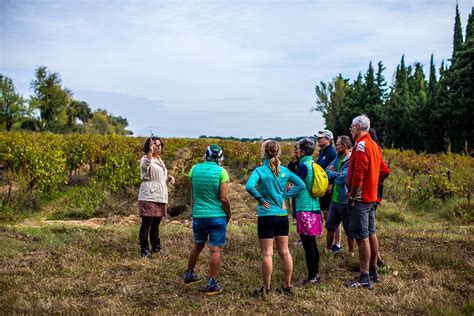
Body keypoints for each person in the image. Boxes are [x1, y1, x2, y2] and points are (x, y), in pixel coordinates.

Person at [245, 140, 305, 296]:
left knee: (267, 254)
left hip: (266, 216)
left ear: (263, 152)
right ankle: (288, 286)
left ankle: (266, 289)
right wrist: (284, 196)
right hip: (281, 216)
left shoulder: (259, 171)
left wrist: (260, 199)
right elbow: (301, 185)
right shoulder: (285, 171)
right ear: (278, 152)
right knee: (285, 252)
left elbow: (249, 186)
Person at [183, 144, 231, 295]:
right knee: (215, 249)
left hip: (199, 215)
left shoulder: (194, 169)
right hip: (217, 216)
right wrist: (228, 214)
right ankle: (212, 283)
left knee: (198, 245)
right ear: (220, 158)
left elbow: (193, 194)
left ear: (206, 155)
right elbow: (223, 198)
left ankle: (189, 275)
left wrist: (194, 210)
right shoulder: (222, 172)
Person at [345, 115, 381, 288]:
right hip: (371, 196)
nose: (350, 130)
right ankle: (374, 271)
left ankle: (364, 277)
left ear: (358, 126)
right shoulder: (374, 145)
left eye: (351, 127)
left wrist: (352, 195)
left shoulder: (360, 146)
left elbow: (359, 174)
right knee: (371, 232)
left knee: (361, 236)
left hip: (360, 197)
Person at [138, 136, 175, 257]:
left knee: (156, 224)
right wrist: (150, 152)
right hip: (149, 195)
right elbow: (146, 167)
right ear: (149, 146)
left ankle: (156, 247)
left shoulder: (159, 159)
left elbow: (159, 176)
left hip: (160, 195)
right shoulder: (145, 159)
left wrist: (168, 178)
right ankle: (144, 250)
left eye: (159, 145)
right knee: (146, 223)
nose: (158, 147)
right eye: (155, 145)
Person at [294, 138, 323, 285]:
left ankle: (312, 277)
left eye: (298, 149)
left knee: (308, 244)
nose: (296, 151)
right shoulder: (313, 164)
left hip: (305, 209)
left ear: (303, 151)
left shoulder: (304, 167)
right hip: (315, 208)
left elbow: (294, 184)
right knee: (312, 242)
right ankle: (315, 274)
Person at [325, 136, 355, 256]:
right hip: (335, 199)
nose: (335, 147)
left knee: (349, 230)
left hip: (345, 200)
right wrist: (335, 174)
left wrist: (334, 175)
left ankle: (350, 253)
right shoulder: (338, 157)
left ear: (344, 146)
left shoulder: (350, 159)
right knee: (330, 226)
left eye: (337, 144)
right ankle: (327, 250)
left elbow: (344, 179)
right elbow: (327, 171)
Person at [369, 128, 391, 269]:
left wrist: (374, 181)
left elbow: (385, 171)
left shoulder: (373, 148)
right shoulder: (372, 147)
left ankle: (374, 261)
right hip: (371, 194)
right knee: (369, 229)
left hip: (372, 195)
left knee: (369, 230)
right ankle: (376, 259)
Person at [314, 130, 339, 252]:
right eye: (317, 138)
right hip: (322, 186)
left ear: (328, 139)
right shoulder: (321, 152)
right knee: (325, 213)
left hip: (329, 187)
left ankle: (336, 243)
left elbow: (335, 168)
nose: (318, 140)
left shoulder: (332, 152)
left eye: (321, 138)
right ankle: (331, 240)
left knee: (333, 216)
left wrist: (331, 183)